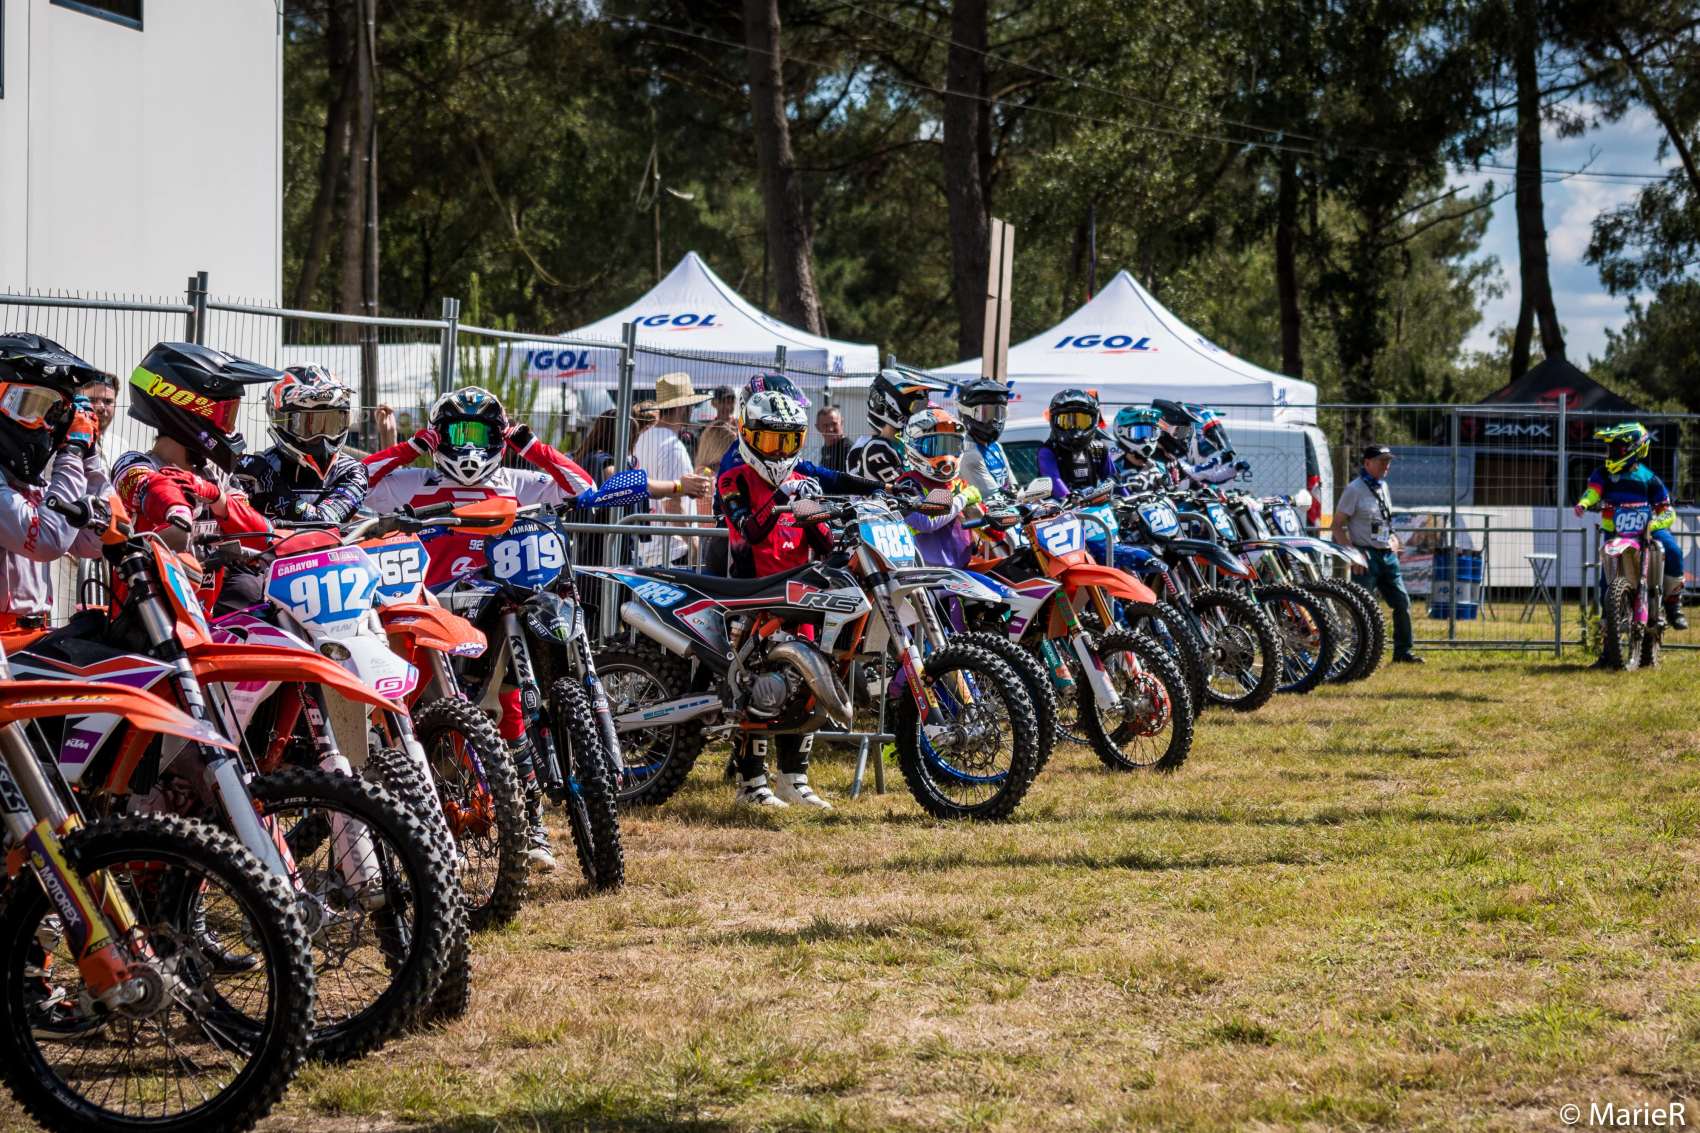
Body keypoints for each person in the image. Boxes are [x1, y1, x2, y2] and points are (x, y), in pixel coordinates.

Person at [363, 385, 708, 870]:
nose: (470, 445)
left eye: (482, 433)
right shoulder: (413, 482)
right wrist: (410, 447)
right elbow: (356, 483)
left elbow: (581, 487)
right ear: (439, 435)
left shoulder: (515, 480)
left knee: (512, 710)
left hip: (501, 609)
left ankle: (532, 824)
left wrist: (529, 443)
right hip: (433, 614)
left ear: (499, 436)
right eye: (459, 433)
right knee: (411, 710)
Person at [715, 389, 884, 809]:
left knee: (811, 685)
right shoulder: (734, 478)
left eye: (789, 441)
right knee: (759, 690)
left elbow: (823, 539)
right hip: (754, 598)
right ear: (748, 435)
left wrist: (865, 498)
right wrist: (785, 497)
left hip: (802, 597)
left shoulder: (799, 476)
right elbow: (750, 530)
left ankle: (794, 779)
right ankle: (751, 784)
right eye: (772, 440)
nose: (780, 451)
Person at [111, 344, 275, 613]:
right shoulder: (133, 464)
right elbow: (152, 488)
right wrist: (178, 509)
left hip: (202, 623)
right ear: (190, 407)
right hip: (143, 623)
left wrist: (218, 498)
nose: (230, 427)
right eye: (226, 415)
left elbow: (260, 535)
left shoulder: (215, 477)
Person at [0, 334, 109, 631]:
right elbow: (48, 541)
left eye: (52, 411)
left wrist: (89, 453)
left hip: (34, 632)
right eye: (29, 405)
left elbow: (96, 540)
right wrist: (72, 453)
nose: (44, 422)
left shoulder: (33, 480)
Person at [1574, 421, 1686, 630]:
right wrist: (1584, 503)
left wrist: (1655, 523)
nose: (1611, 453)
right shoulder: (1602, 473)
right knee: (1606, 576)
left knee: (1673, 550)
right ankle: (1609, 618)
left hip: (1647, 530)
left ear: (1635, 449)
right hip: (1615, 531)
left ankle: (1673, 604)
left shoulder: (1648, 478)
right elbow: (1593, 491)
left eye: (1617, 448)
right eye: (1610, 448)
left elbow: (1666, 509)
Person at [233, 365, 368, 524]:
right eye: (309, 425)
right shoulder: (255, 467)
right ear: (280, 421)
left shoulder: (352, 471)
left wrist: (268, 479)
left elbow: (323, 522)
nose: (322, 436)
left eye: (331, 423)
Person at [1333, 444, 1421, 664]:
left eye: (1388, 461)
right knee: (1362, 608)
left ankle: (1403, 652)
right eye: (1382, 461)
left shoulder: (1383, 487)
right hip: (1365, 556)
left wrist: (1394, 539)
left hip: (1387, 556)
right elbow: (1337, 526)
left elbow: (1385, 520)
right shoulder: (1354, 489)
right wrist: (1353, 555)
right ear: (1367, 463)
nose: (1386, 465)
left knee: (1402, 603)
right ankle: (1355, 655)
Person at [633, 373, 710, 566]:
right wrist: (694, 546)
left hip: (648, 548)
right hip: (672, 551)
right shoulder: (672, 446)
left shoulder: (642, 438)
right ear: (682, 407)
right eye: (690, 405)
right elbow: (672, 506)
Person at [895, 407, 973, 568]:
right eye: (934, 446)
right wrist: (963, 498)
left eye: (951, 445)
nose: (945, 455)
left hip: (962, 568)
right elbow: (926, 521)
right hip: (927, 573)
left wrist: (993, 518)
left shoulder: (958, 483)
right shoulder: (908, 483)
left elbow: (984, 526)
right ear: (913, 446)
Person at [847, 369, 939, 485]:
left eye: (924, 406)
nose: (921, 413)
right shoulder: (877, 448)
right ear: (890, 406)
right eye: (916, 406)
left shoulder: (905, 444)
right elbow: (909, 490)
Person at [1036, 388, 1115, 499]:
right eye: (1066, 422)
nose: (1074, 430)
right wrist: (1072, 500)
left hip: (1093, 507)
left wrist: (1129, 501)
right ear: (1054, 421)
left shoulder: (1099, 449)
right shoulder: (1048, 451)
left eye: (1082, 422)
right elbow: (1055, 482)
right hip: (1059, 508)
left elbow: (1114, 481)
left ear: (1094, 420)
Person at [1152, 399, 1250, 488]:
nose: (1185, 437)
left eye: (1187, 431)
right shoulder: (1156, 456)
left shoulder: (1174, 457)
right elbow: (1195, 473)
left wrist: (1234, 468)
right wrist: (1220, 460)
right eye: (1182, 431)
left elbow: (1211, 478)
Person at [954, 378, 1016, 499]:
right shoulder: (968, 453)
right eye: (986, 414)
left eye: (1000, 412)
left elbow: (1014, 487)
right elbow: (992, 496)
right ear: (965, 413)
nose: (995, 420)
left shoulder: (996, 446)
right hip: (986, 510)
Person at [693, 386, 738, 472]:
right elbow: (702, 458)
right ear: (714, 403)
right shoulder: (708, 431)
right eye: (723, 402)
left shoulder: (740, 428)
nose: (727, 406)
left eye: (730, 402)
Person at [815, 405, 850, 472]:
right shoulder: (825, 449)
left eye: (834, 424)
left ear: (841, 423)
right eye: (825, 425)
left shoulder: (848, 450)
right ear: (818, 428)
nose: (830, 429)